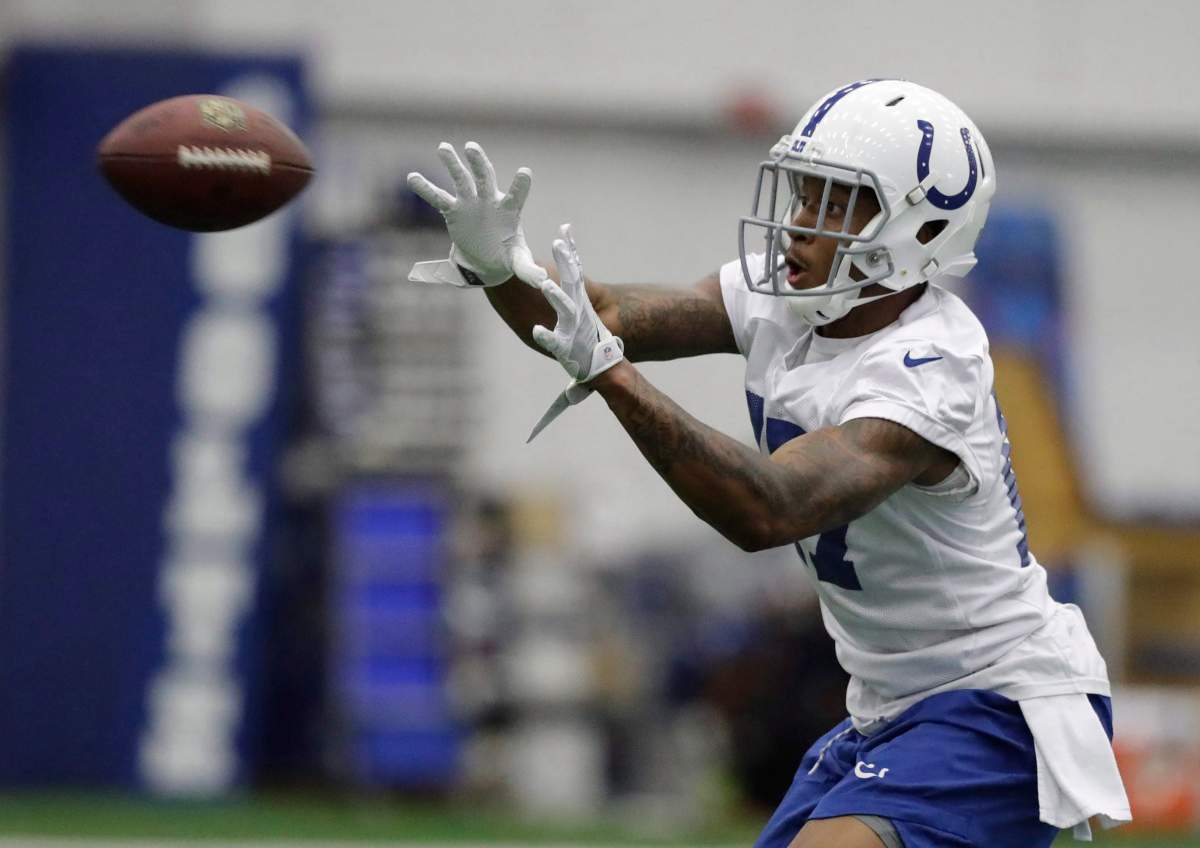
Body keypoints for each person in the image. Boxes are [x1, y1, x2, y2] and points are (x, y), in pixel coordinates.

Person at [406, 79, 1130, 848]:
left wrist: (612, 374)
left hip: (996, 699)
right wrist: (501, 269)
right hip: (890, 704)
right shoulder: (787, 299)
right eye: (805, 192)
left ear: (920, 230)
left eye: (836, 204)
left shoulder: (929, 368)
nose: (800, 222)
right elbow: (597, 318)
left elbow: (770, 508)